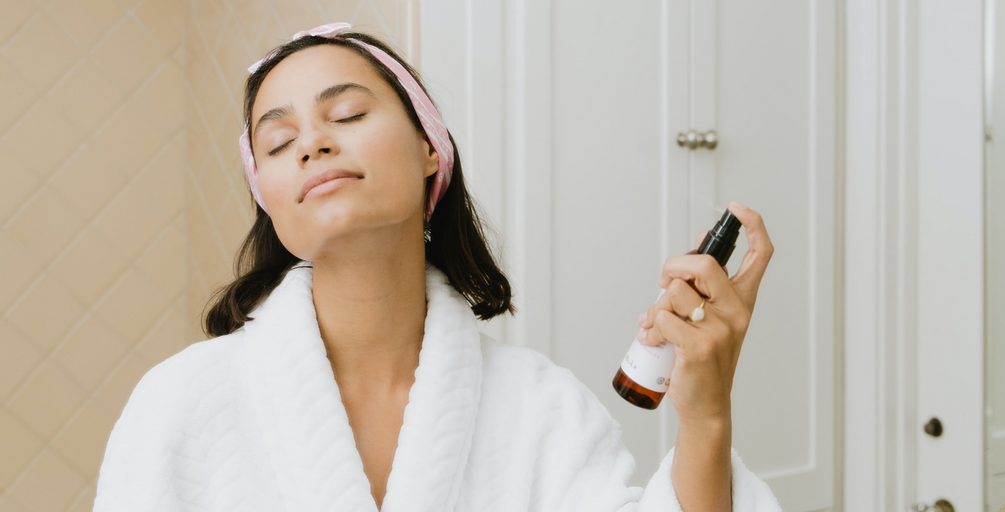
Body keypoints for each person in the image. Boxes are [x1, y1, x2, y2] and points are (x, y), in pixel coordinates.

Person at [93, 22, 780, 512]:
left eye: (349, 112)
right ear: (269, 203)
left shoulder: (543, 410)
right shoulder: (180, 407)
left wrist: (707, 416)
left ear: (431, 149)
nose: (312, 144)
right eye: (278, 141)